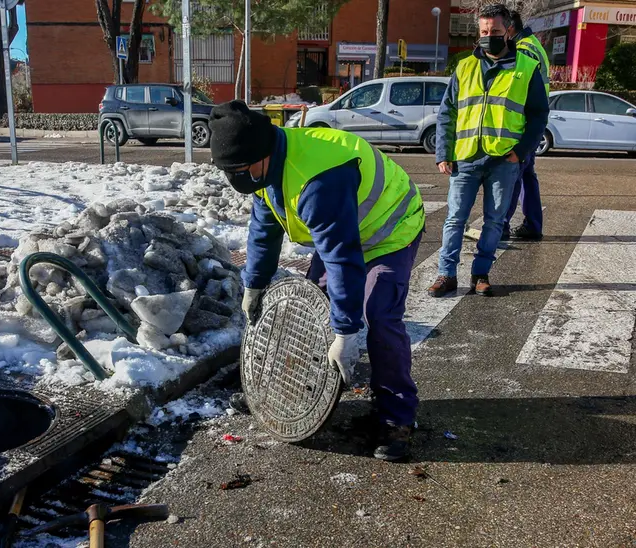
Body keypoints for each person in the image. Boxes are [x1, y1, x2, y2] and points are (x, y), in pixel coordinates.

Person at [208, 100, 426, 462]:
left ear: (261, 155)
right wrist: (254, 284)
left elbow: (344, 259)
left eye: (242, 170)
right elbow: (264, 230)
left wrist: (345, 332)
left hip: (389, 230)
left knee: (379, 316)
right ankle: (290, 392)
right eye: (230, 172)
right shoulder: (263, 168)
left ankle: (395, 417)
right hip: (343, 230)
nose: (237, 179)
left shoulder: (316, 179)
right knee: (307, 313)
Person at [429, 3, 549, 298]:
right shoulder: (464, 66)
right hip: (466, 157)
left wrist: (521, 152)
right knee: (455, 219)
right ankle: (446, 274)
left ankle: (480, 273)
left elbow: (538, 116)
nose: (488, 36)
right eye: (483, 31)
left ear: (508, 30)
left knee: (494, 221)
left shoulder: (526, 68)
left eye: (494, 31)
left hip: (503, 160)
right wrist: (443, 153)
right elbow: (448, 113)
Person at [502, 10, 550, 241]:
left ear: (509, 29)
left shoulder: (523, 50)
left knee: (512, 176)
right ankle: (532, 223)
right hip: (531, 123)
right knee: (527, 177)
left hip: (521, 124)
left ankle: (500, 225)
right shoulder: (534, 44)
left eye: (499, 30)